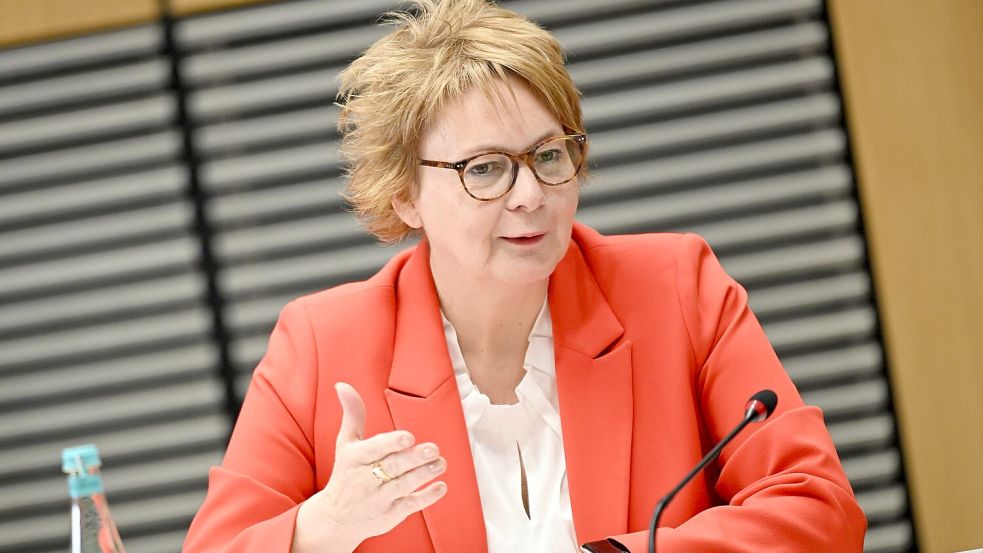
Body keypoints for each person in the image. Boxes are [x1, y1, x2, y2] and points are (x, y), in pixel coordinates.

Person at [182, 1, 867, 551]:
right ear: (404, 195)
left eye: (547, 155)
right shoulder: (320, 344)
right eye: (483, 168)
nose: (529, 195)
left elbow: (817, 510)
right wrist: (322, 528)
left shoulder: (677, 288)